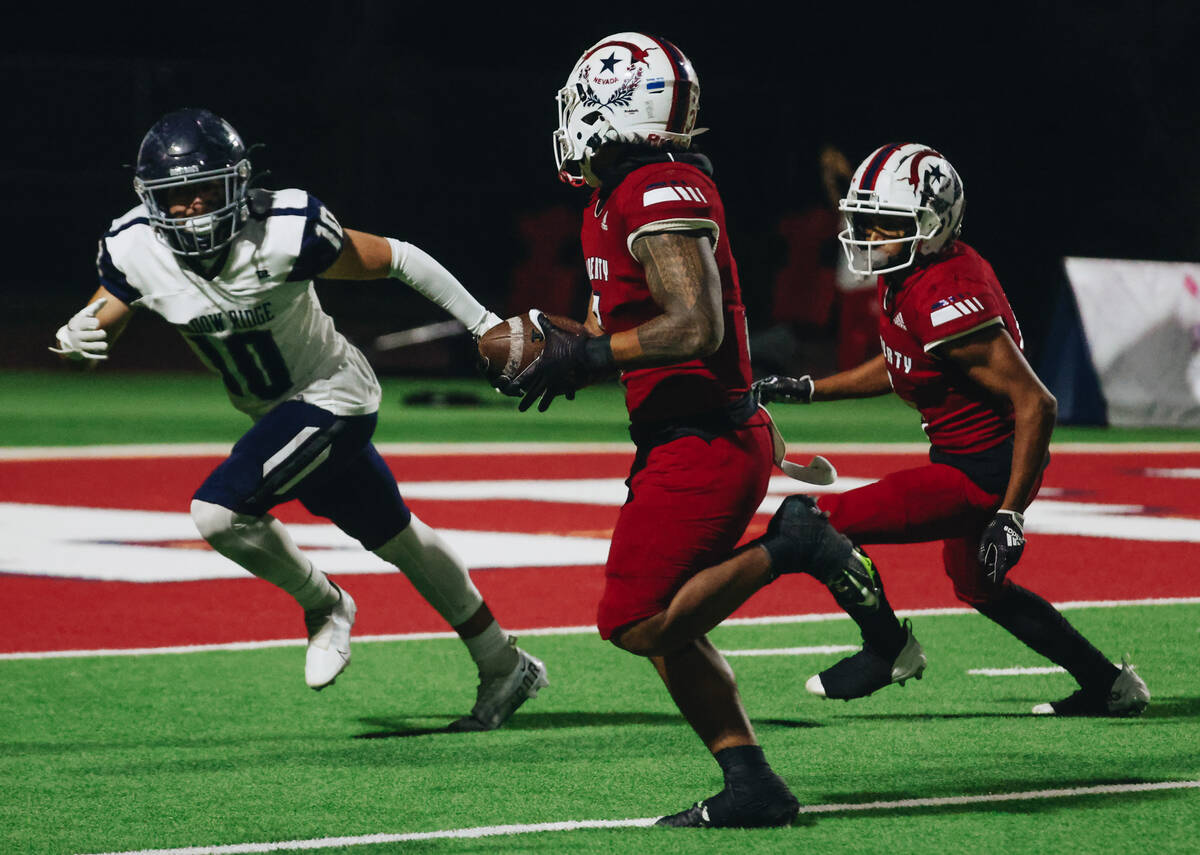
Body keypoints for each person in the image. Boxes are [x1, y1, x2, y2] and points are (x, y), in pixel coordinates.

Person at [50, 108, 547, 731]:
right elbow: (104, 314)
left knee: (220, 512)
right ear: (150, 202)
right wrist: (78, 338)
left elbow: (396, 257)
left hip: (333, 396)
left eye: (206, 190)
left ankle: (325, 604)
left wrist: (483, 324)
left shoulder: (286, 231)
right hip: (277, 412)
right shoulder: (134, 248)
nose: (193, 209)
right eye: (175, 197)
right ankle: (505, 664)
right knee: (400, 538)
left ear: (240, 185)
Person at [493, 33, 883, 827]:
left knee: (633, 620)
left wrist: (587, 354)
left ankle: (795, 541)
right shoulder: (611, 198)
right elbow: (613, 332)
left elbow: (694, 325)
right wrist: (545, 341)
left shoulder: (658, 187)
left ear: (614, 104)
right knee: (671, 625)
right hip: (681, 435)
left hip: (705, 439)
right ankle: (752, 782)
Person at [755, 142, 1150, 717]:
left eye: (885, 226)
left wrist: (1009, 515)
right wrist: (813, 388)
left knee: (813, 523)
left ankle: (888, 648)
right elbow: (903, 361)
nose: (868, 238)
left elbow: (1036, 403)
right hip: (969, 459)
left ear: (932, 224)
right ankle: (1108, 685)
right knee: (977, 586)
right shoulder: (917, 273)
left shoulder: (944, 292)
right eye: (868, 223)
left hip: (982, 472)